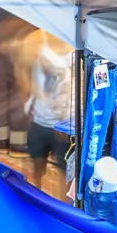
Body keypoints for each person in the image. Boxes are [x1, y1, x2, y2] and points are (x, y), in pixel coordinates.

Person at [26, 36, 75, 196]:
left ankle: (61, 207)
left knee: (63, 172)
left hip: (62, 126)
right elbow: (29, 78)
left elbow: (76, 91)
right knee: (37, 165)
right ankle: (37, 200)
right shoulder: (39, 44)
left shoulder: (75, 55)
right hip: (39, 120)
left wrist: (68, 121)